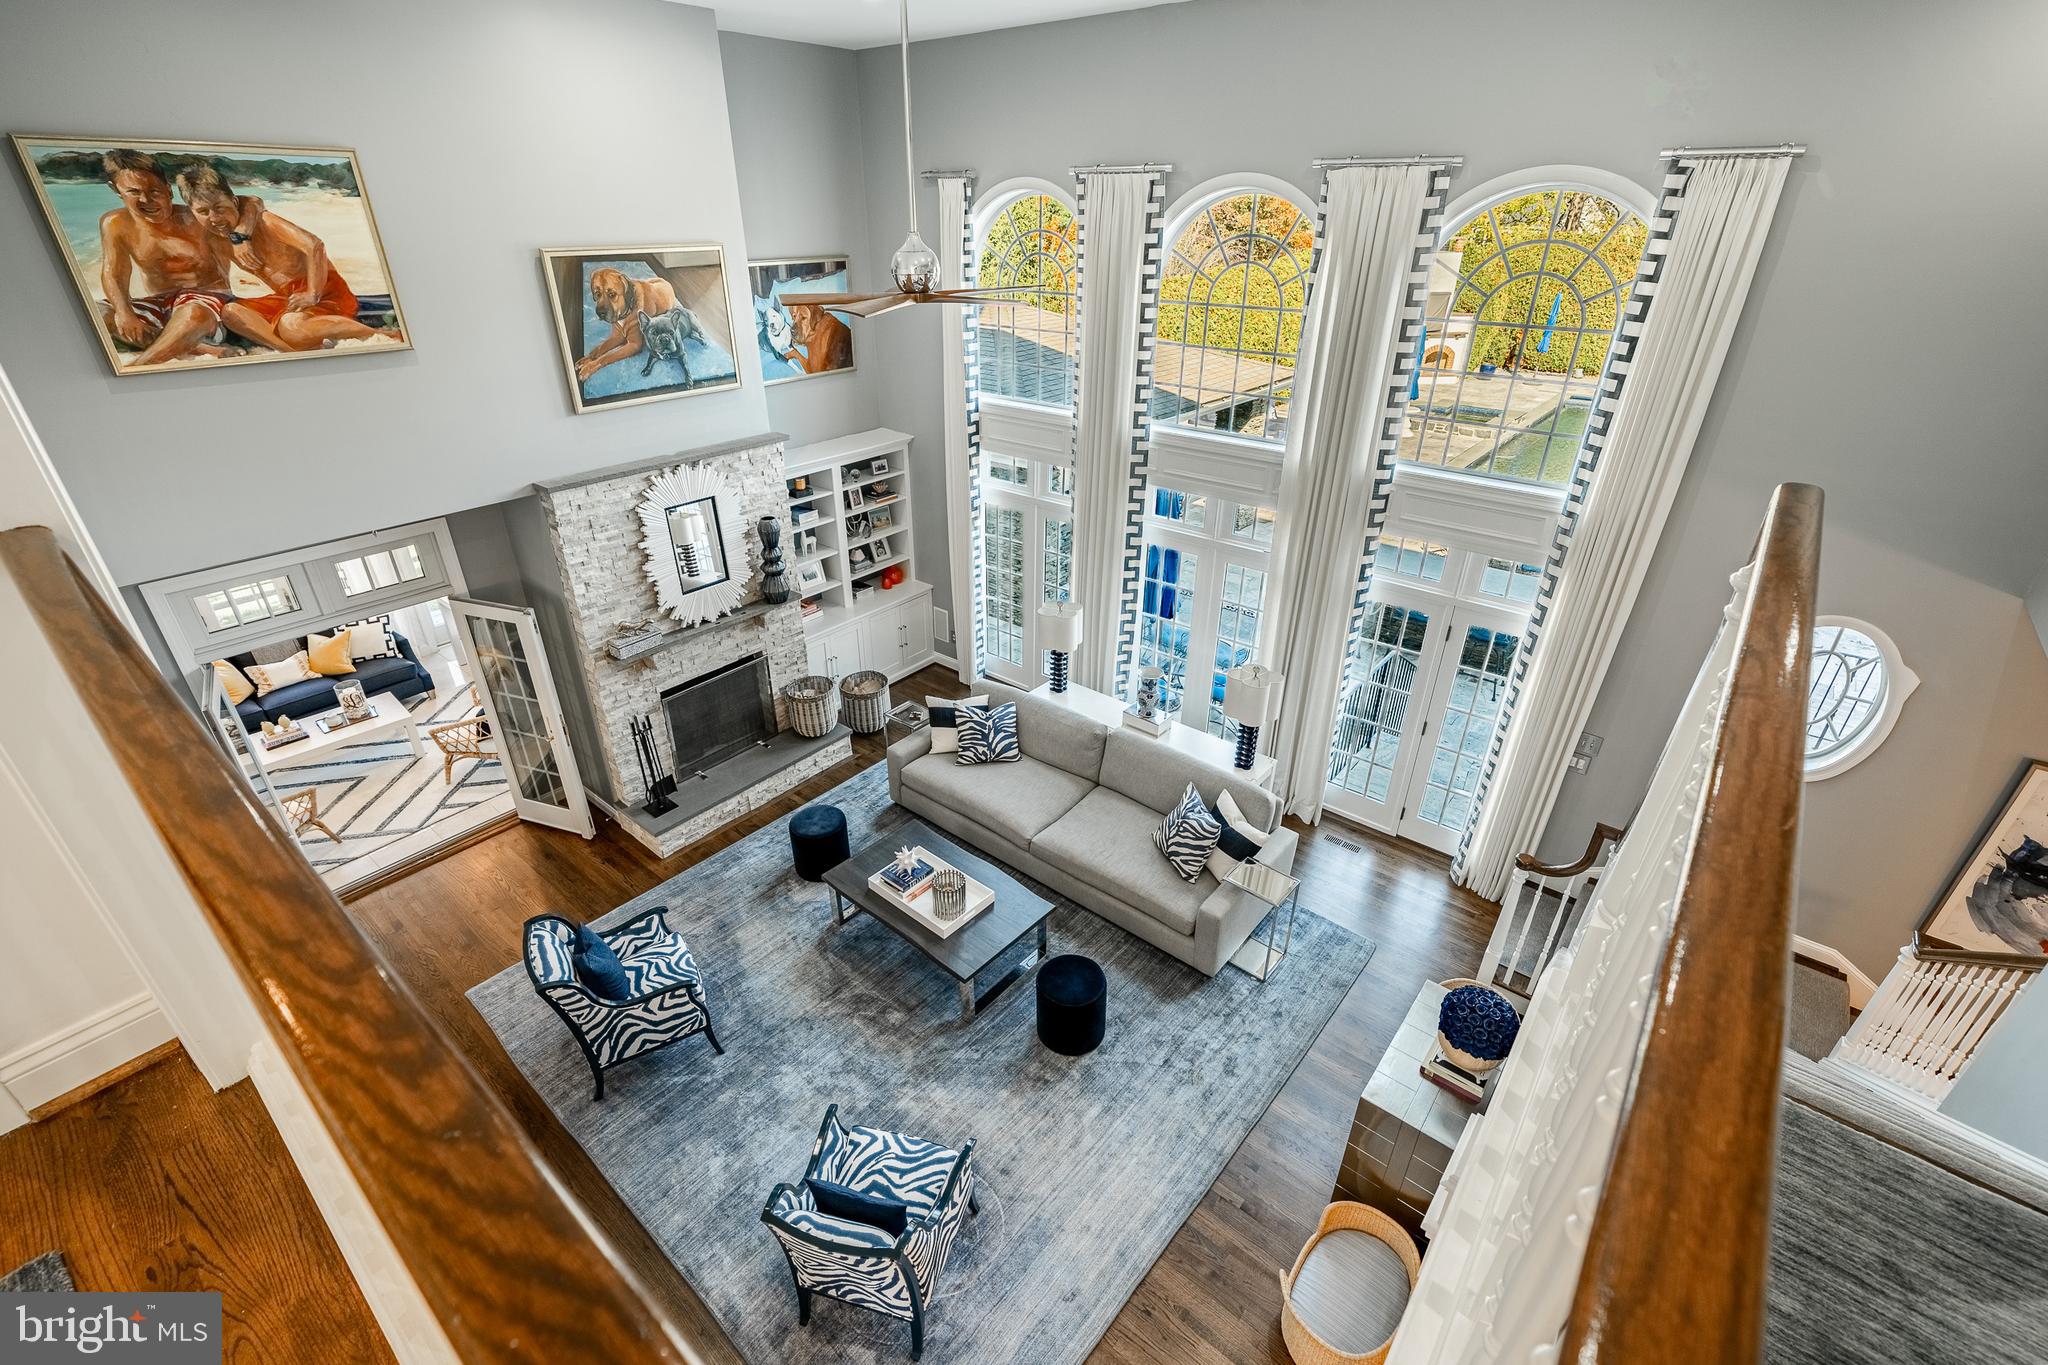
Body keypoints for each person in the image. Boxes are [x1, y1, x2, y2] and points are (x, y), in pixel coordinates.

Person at [173, 162, 400, 351]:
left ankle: (380, 333)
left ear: (233, 202)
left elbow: (315, 245)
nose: (214, 218)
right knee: (232, 312)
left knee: (291, 326)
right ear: (193, 213)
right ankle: (287, 351)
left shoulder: (264, 222)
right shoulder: (216, 240)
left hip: (326, 292)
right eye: (203, 212)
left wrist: (313, 292)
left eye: (219, 208)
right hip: (288, 297)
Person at [93, 149, 238, 366]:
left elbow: (246, 203)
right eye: (133, 192)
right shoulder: (115, 223)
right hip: (159, 304)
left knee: (191, 313)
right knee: (97, 312)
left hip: (206, 302)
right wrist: (124, 313)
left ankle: (141, 365)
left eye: (154, 191)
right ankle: (195, 347)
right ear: (116, 190)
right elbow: (113, 272)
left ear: (168, 190)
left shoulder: (199, 217)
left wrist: (241, 238)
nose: (146, 200)